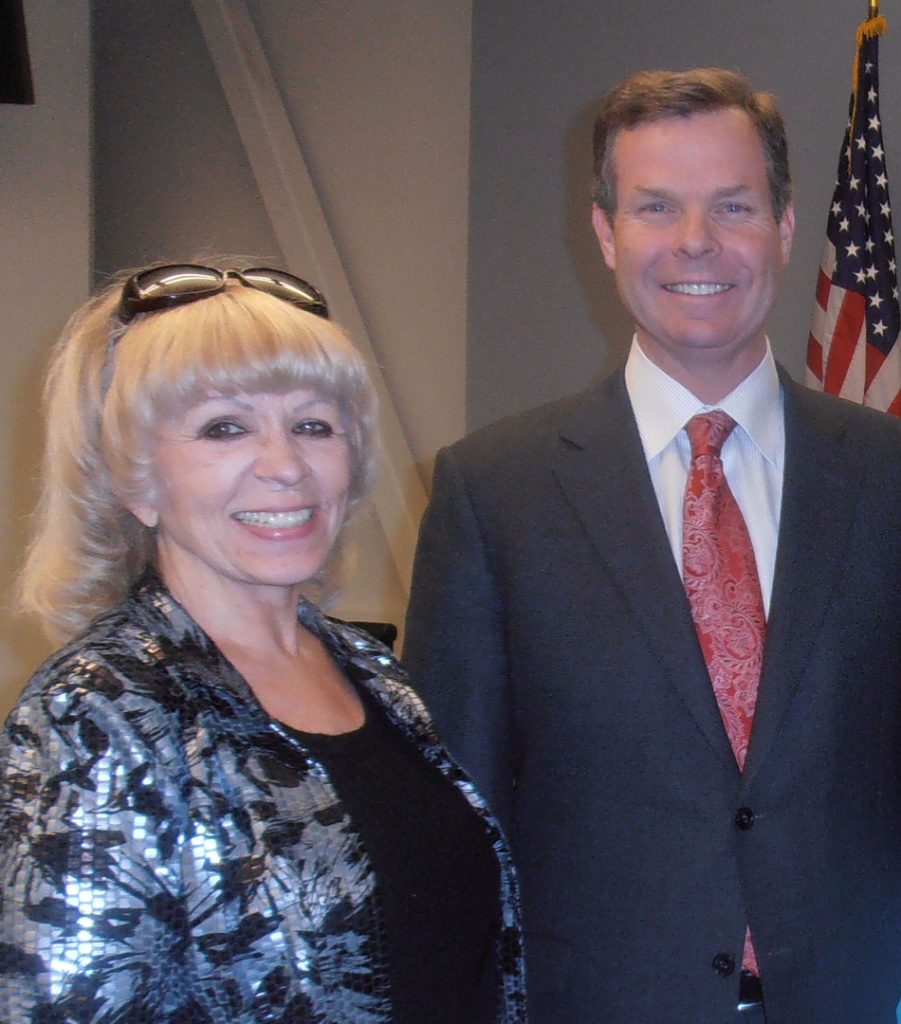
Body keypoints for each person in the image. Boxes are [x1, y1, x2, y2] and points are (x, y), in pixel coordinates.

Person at [404, 68, 901, 1024]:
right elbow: (452, 829)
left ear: (784, 226)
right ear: (605, 234)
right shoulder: (492, 492)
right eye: (655, 207)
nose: (694, 242)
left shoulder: (885, 476)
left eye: (732, 206)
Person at [0, 263, 526, 1024]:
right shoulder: (96, 713)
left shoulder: (377, 677)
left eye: (313, 424)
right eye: (225, 427)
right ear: (136, 482)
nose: (286, 466)